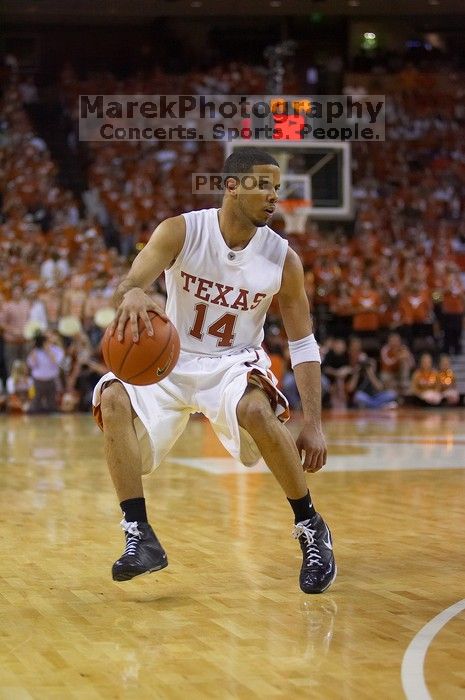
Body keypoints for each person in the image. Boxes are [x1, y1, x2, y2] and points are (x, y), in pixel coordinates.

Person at [92, 148, 336, 594]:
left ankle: (311, 527)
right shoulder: (182, 231)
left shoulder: (284, 260)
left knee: (259, 412)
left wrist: (314, 423)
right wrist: (130, 293)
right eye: (263, 185)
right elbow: (131, 282)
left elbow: (302, 344)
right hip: (170, 359)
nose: (273, 196)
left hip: (232, 364)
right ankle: (139, 534)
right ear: (232, 186)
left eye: (277, 188)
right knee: (111, 397)